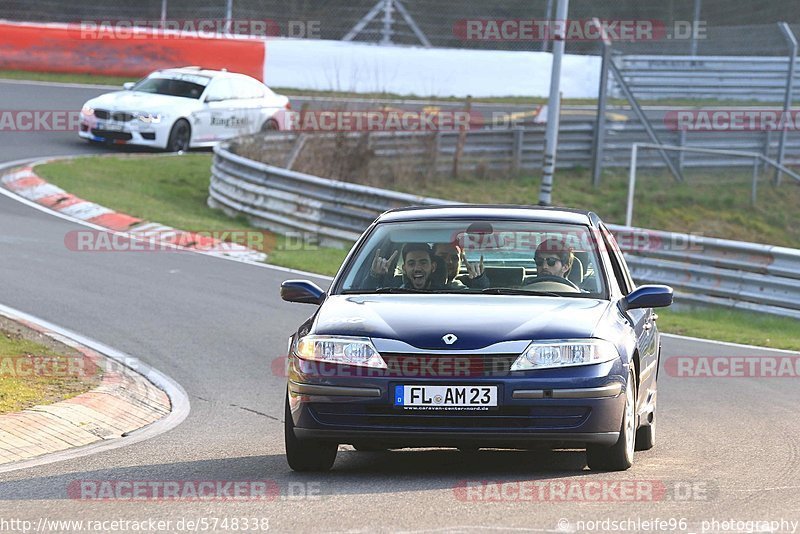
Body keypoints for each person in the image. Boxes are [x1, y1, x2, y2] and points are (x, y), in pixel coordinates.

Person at [367, 243, 438, 290]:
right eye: (411, 263)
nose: (417, 268)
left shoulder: (446, 292)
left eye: (423, 263)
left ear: (433, 267)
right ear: (404, 269)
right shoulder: (392, 288)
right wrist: (374, 275)